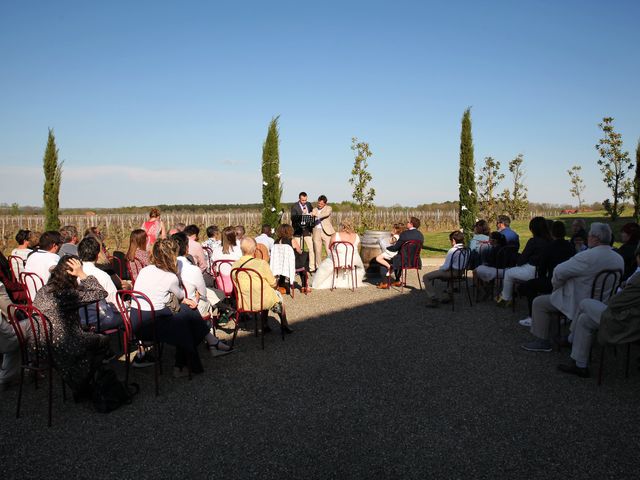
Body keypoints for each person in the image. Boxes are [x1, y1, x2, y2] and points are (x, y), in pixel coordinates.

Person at [522, 223, 625, 352]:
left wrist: (557, 287)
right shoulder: (618, 258)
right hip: (603, 303)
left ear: (595, 239)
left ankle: (542, 341)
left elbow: (559, 271)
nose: (587, 238)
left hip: (578, 300)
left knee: (539, 302)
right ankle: (570, 337)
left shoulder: (587, 256)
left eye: (589, 236)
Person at [132, 239, 228, 376]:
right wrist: (189, 299)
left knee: (186, 314)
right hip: (152, 323)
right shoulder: (170, 277)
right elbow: (181, 295)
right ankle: (199, 351)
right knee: (187, 320)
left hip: (136, 318)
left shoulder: (145, 270)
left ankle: (205, 345)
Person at [32, 256, 111, 399]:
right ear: (72, 274)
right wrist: (82, 274)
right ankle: (80, 383)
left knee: (86, 334)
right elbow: (101, 293)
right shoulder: (66, 294)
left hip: (38, 345)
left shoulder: (44, 290)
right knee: (103, 341)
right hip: (60, 345)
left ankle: (77, 374)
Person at [557, 244, 640, 378]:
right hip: (629, 317)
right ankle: (580, 365)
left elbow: (615, 303)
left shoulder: (638, 278)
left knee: (584, 302)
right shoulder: (627, 267)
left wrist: (621, 290)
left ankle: (570, 338)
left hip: (625, 320)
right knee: (584, 320)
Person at [516, 221, 575, 327]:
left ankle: (532, 317)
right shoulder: (570, 246)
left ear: (552, 232)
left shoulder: (549, 247)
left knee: (530, 285)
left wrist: (542, 277)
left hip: (554, 281)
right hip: (569, 281)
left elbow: (542, 268)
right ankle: (563, 314)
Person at [231, 238, 293, 333]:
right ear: (255, 249)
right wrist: (276, 285)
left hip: (244, 301)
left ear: (241, 249)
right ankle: (284, 324)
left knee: (264, 293)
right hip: (262, 300)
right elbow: (273, 283)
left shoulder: (235, 265)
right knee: (276, 297)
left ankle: (265, 324)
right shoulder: (261, 264)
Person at [495, 217, 551, 306]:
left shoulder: (533, 241)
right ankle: (512, 293)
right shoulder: (550, 241)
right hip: (547, 272)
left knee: (508, 273)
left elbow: (523, 259)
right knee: (512, 270)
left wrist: (518, 262)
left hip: (533, 271)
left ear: (533, 229)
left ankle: (506, 298)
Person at [77, 237, 124, 331]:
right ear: (98, 254)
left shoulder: (73, 273)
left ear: (79, 253)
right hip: (99, 321)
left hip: (78, 321)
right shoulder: (102, 275)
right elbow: (115, 302)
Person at [311, 219, 365, 290]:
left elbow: (330, 247)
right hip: (352, 261)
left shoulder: (336, 235)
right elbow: (356, 249)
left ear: (342, 226)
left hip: (338, 261)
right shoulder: (356, 236)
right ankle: (350, 281)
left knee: (326, 262)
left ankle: (330, 281)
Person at [424, 230, 467, 307]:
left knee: (426, 277)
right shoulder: (466, 250)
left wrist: (439, 270)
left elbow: (446, 267)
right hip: (461, 272)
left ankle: (433, 298)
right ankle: (449, 296)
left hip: (452, 273)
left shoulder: (452, 250)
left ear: (453, 241)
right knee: (449, 274)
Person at [385, 217, 425, 286]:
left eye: (408, 222)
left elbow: (395, 248)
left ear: (411, 224)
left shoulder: (404, 234)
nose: (406, 223)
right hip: (415, 261)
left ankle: (385, 282)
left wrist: (386, 247)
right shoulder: (420, 235)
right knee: (398, 257)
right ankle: (397, 280)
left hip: (403, 261)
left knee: (386, 259)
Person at [272, 224, 310, 293]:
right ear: (290, 231)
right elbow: (299, 251)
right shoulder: (292, 240)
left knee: (301, 258)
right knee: (305, 256)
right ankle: (304, 286)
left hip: (280, 264)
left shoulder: (276, 242)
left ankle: (281, 283)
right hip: (292, 264)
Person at [24, 231, 63, 298]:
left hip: (31, 298)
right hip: (48, 301)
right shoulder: (53, 258)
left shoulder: (31, 256)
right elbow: (62, 278)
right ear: (54, 246)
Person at [376, 223, 405, 289]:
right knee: (380, 258)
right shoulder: (402, 236)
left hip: (391, 253)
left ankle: (389, 267)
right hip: (396, 253)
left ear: (396, 230)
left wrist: (392, 235)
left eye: (393, 228)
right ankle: (396, 279)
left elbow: (391, 242)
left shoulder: (396, 236)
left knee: (378, 258)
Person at [311, 195, 335, 271]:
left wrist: (316, 215)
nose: (320, 205)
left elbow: (325, 214)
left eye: (321, 204)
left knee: (329, 250)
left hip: (326, 232)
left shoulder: (329, 208)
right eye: (319, 203)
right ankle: (319, 267)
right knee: (317, 251)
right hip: (316, 231)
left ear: (325, 203)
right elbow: (311, 216)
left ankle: (331, 266)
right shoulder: (314, 209)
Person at [291, 192, 315, 269]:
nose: (304, 202)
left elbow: (312, 214)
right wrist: (302, 216)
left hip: (307, 229)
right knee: (298, 249)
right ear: (299, 199)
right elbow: (293, 218)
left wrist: (311, 214)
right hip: (298, 230)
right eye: (302, 200)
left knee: (311, 248)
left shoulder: (309, 204)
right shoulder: (294, 206)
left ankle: (312, 267)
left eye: (305, 200)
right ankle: (298, 267)